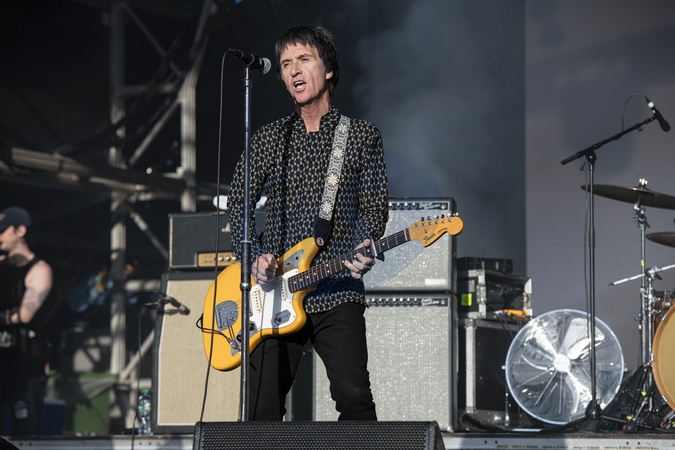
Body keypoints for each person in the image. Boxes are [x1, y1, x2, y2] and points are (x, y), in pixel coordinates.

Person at [228, 25, 389, 421]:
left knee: (354, 397)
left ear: (328, 69)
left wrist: (365, 244)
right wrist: (254, 256)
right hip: (275, 294)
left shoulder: (360, 136)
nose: (294, 71)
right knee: (260, 408)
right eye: (286, 64)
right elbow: (238, 203)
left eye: (304, 60)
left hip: (336, 287)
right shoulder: (270, 139)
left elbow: (373, 207)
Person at [0, 206, 54, 435]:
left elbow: (25, 314)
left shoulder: (39, 269)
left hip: (25, 360)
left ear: (20, 231)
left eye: (3, 231)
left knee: (24, 428)